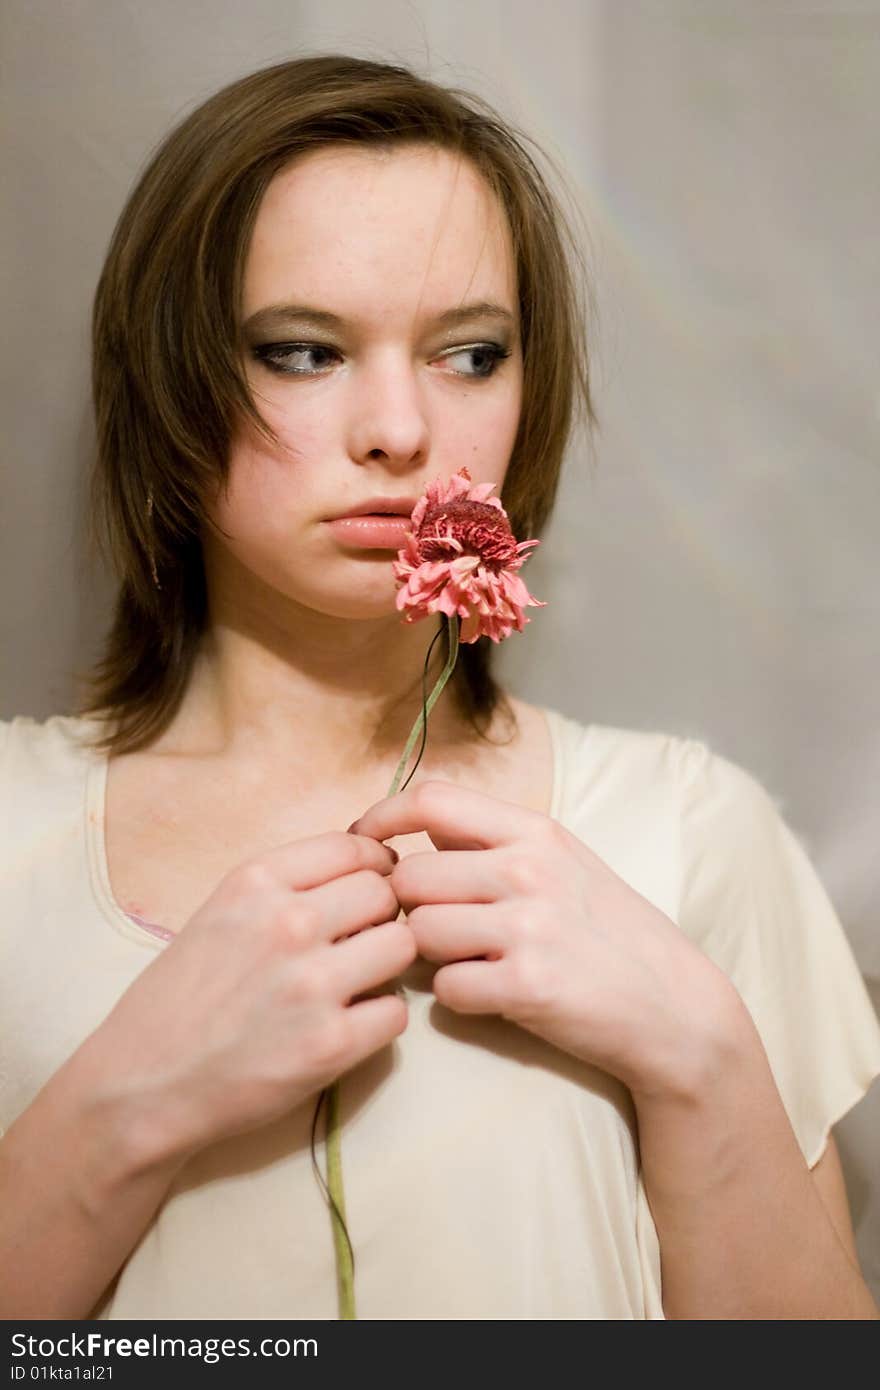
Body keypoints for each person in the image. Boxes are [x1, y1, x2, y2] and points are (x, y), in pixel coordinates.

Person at [1, 53, 879, 1323]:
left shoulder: (688, 832)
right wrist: (123, 1104)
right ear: (165, 381)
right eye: (301, 351)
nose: (401, 431)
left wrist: (700, 1057)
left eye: (470, 355)